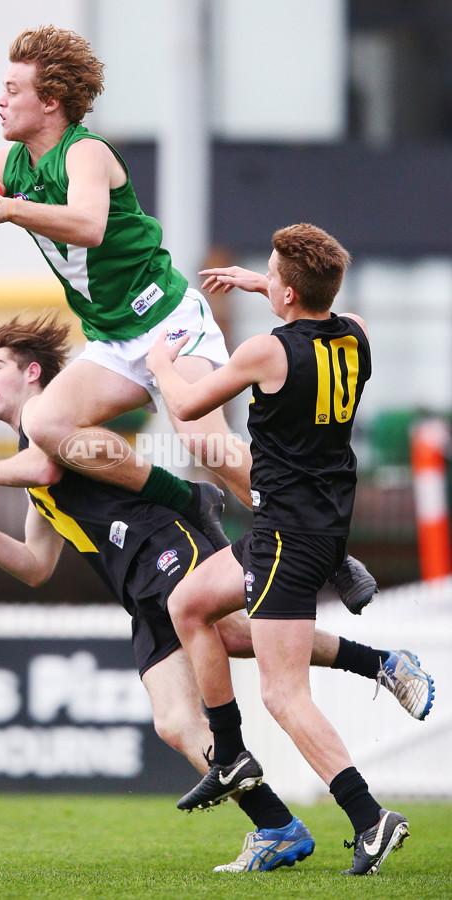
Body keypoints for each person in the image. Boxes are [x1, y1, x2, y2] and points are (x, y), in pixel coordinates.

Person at [0, 312, 433, 874]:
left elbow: (47, 467)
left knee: (236, 635)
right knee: (173, 721)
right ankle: (276, 825)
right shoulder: (29, 459)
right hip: (134, 588)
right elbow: (35, 567)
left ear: (33, 373)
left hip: (163, 542)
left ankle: (382, 665)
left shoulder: (55, 429)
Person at [0, 25, 375, 614]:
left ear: (50, 102)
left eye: (12, 90)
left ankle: (329, 548)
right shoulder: (7, 164)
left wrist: (5, 208)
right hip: (112, 340)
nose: (0, 100)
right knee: (46, 425)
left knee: (205, 441)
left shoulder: (86, 152)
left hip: (166, 318)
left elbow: (88, 223)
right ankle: (185, 499)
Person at [146, 223, 433, 876]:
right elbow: (326, 310)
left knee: (283, 693)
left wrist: (159, 362)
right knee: (189, 603)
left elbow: (188, 405)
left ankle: (369, 818)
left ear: (287, 292)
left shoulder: (266, 352)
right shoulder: (356, 332)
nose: (263, 278)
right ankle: (230, 756)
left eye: (269, 273)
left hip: (285, 536)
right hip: (320, 521)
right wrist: (269, 287)